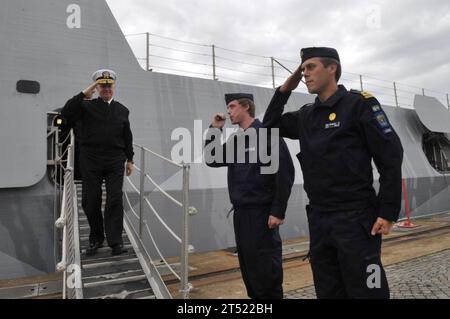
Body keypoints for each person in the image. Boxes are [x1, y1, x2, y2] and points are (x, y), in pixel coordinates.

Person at [263, 47, 404, 298]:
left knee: (368, 289)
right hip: (319, 218)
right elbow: (270, 125)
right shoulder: (307, 115)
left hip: (357, 218)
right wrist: (287, 87)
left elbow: (390, 156)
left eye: (311, 67)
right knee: (328, 290)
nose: (305, 74)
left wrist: (388, 211)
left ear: (332, 68)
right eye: (303, 69)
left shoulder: (359, 105)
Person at [204, 93, 295, 299]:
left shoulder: (266, 134)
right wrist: (215, 129)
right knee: (249, 270)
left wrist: (277, 211)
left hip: (262, 214)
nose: (228, 111)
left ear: (246, 107)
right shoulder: (237, 139)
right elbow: (212, 158)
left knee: (266, 269)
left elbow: (285, 173)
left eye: (232, 106)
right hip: (241, 214)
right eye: (228, 107)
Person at [61, 69, 134, 256]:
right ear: (97, 87)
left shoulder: (123, 110)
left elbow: (127, 136)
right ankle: (96, 238)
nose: (106, 89)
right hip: (91, 159)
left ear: (114, 87)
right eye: (102, 86)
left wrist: (130, 159)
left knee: (114, 199)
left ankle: (115, 242)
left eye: (109, 86)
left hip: (115, 160)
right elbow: (66, 112)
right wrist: (85, 92)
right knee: (90, 200)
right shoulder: (86, 106)